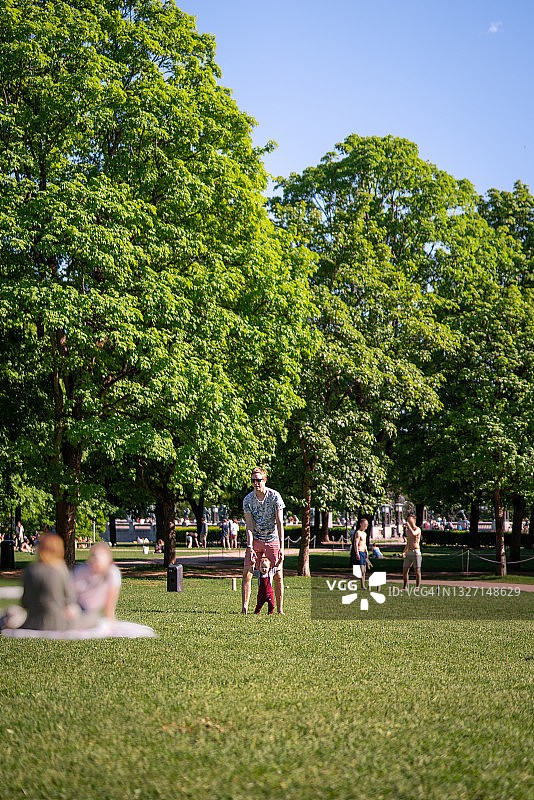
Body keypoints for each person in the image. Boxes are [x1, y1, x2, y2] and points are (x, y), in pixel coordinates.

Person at [242, 467, 285, 615]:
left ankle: (279, 610)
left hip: (272, 539)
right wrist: (250, 547)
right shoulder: (248, 500)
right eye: (253, 480)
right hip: (256, 539)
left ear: (264, 480)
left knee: (278, 575)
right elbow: (249, 526)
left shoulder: (275, 496)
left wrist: (281, 547)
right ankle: (244, 608)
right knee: (247, 572)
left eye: (259, 480)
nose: (256, 483)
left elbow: (279, 523)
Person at [19, 533, 81, 631]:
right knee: (91, 617)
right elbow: (70, 598)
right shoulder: (60, 569)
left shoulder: (31, 570)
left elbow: (25, 602)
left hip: (33, 622)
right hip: (57, 622)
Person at [73, 542, 122, 621]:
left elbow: (110, 603)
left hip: (93, 611)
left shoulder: (113, 573)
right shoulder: (80, 571)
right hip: (78, 606)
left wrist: (110, 622)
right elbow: (69, 596)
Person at [403, 514, 422, 589]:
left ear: (414, 520)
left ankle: (417, 587)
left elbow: (414, 534)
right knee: (405, 570)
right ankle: (405, 587)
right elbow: (408, 543)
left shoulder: (417, 529)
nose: (409, 522)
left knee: (417, 570)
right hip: (409, 552)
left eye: (410, 520)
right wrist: (403, 552)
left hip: (416, 552)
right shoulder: (408, 530)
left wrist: (408, 526)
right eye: (408, 520)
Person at [349, 520, 368, 589]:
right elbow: (356, 543)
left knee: (364, 571)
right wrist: (357, 553)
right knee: (361, 571)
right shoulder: (358, 533)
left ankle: (362, 585)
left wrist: (366, 551)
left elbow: (364, 543)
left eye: (366, 524)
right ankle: (350, 581)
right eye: (364, 524)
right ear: (361, 524)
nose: (366, 526)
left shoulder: (364, 534)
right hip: (359, 551)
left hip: (363, 552)